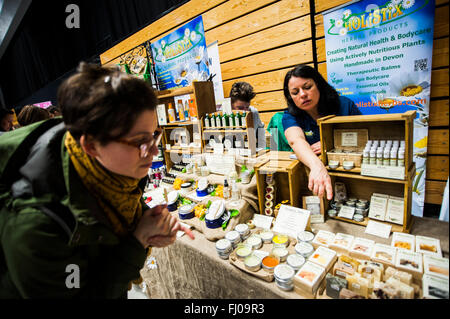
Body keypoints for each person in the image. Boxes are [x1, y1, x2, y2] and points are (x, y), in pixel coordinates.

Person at [0, 62, 194, 298]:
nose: (154, 151)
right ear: (91, 145)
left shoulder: (100, 153)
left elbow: (119, 199)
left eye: (155, 134)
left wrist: (147, 217)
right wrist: (138, 240)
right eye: (140, 141)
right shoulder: (35, 224)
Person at [282, 64, 362, 200]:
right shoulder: (290, 115)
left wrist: (329, 144)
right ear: (290, 97)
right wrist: (317, 166)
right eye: (295, 92)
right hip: (315, 178)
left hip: (352, 174)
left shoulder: (345, 105)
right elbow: (296, 140)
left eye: (307, 87)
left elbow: (364, 137)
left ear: (319, 85)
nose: (302, 94)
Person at [229, 81, 266, 149]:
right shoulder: (225, 116)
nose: (245, 112)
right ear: (231, 104)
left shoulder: (254, 112)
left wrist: (262, 150)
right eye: (240, 108)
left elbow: (261, 129)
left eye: (247, 107)